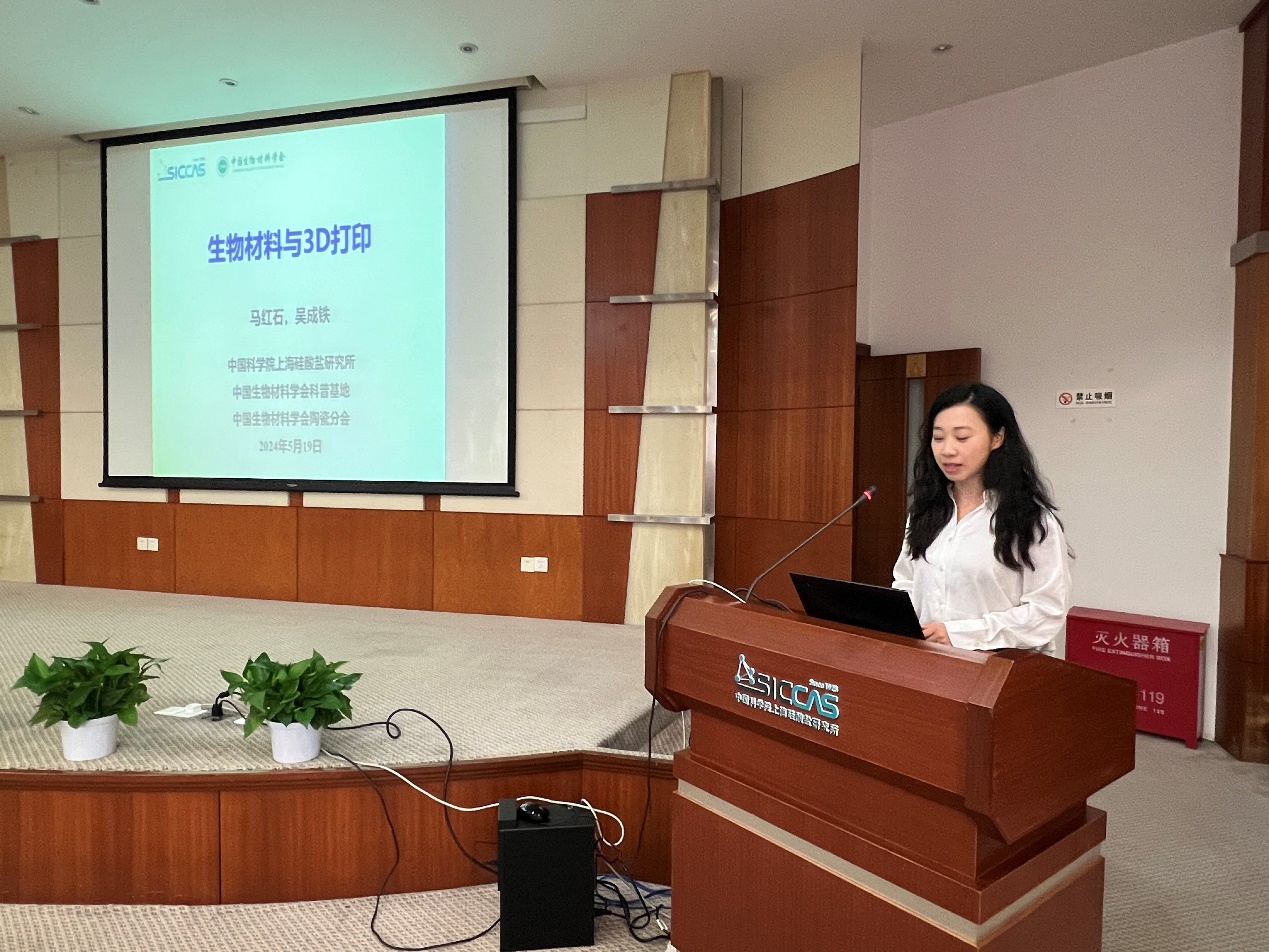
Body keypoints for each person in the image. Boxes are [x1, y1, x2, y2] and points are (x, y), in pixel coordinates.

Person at [892, 383, 1071, 652]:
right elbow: (906, 583)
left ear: (997, 438)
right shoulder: (926, 512)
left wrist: (959, 634)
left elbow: (1046, 611)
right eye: (938, 438)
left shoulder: (1030, 520)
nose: (947, 450)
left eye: (962, 437)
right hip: (929, 662)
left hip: (1001, 667)